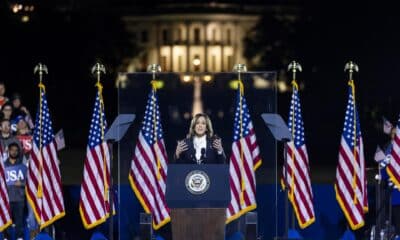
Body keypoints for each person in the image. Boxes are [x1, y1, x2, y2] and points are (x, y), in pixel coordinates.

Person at [4, 143, 26, 240]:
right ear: (8, 151)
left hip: (19, 197)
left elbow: (29, 181)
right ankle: (6, 236)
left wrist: (21, 183)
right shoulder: (3, 166)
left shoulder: (22, 166)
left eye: (16, 150)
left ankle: (19, 237)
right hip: (6, 197)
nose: (14, 152)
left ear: (18, 152)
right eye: (12, 150)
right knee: (6, 219)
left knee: (19, 219)